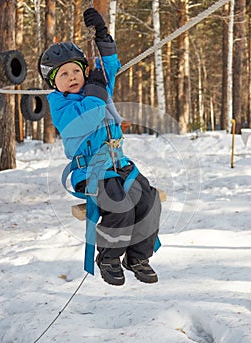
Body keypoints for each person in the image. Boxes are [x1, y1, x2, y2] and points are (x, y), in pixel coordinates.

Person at [39, 8, 161, 286]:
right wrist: (96, 87)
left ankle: (138, 257)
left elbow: (110, 66)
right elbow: (90, 115)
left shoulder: (97, 87)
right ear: (53, 83)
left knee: (148, 200)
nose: (71, 77)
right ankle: (108, 257)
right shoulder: (60, 105)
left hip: (118, 164)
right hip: (91, 172)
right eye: (63, 74)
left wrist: (103, 36)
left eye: (76, 70)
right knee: (120, 207)